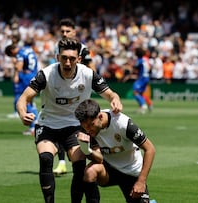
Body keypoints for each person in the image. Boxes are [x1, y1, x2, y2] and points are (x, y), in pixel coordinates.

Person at [16, 38, 122, 203]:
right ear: (57, 57)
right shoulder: (46, 74)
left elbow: (111, 94)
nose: (67, 62)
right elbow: (23, 98)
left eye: (72, 59)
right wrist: (23, 114)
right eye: (64, 57)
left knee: (79, 166)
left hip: (75, 126)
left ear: (79, 59)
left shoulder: (87, 74)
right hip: (48, 124)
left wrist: (115, 100)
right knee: (45, 159)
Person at [74, 99, 156, 203]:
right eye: (85, 127)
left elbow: (150, 149)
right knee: (90, 171)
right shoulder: (88, 129)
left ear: (100, 116)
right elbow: (98, 158)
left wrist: (141, 181)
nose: (88, 130)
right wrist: (86, 149)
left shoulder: (122, 123)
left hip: (131, 171)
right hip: (109, 170)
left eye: (91, 125)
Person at [53, 18, 93, 176]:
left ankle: (84, 159)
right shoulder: (59, 47)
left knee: (79, 125)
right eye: (62, 31)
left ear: (74, 32)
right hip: (62, 88)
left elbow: (91, 67)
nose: (64, 34)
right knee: (59, 121)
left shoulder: (83, 48)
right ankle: (62, 162)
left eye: (67, 31)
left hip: (79, 90)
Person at [5, 39, 39, 136]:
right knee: (31, 101)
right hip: (34, 74)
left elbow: (19, 67)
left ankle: (33, 127)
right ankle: (35, 124)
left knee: (25, 100)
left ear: (12, 51)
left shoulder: (20, 53)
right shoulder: (28, 49)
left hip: (26, 77)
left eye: (12, 55)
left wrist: (15, 64)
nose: (14, 57)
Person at [132, 47, 153, 113]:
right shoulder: (145, 60)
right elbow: (149, 68)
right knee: (141, 93)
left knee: (135, 92)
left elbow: (135, 67)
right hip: (147, 77)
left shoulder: (139, 60)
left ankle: (143, 105)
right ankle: (148, 104)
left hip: (142, 78)